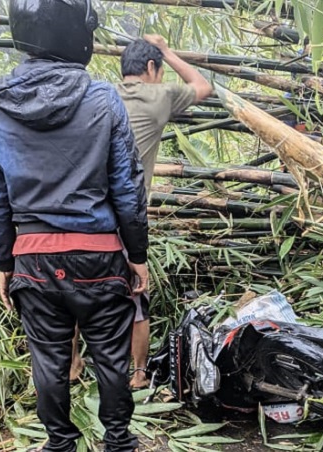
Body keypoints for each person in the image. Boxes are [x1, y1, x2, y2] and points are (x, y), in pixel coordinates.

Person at [0, 0, 148, 450]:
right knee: (110, 356)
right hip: (98, 254)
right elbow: (126, 187)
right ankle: (119, 441)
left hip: (33, 258)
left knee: (48, 359)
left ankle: (59, 444)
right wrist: (138, 254)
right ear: (78, 34)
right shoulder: (102, 97)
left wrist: (5, 260)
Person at [69, 35, 211, 390]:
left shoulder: (99, 98)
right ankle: (137, 373)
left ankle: (72, 365)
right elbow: (202, 85)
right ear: (151, 68)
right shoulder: (158, 96)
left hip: (82, 215)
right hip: (127, 216)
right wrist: (166, 50)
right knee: (136, 294)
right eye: (159, 69)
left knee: (72, 292)